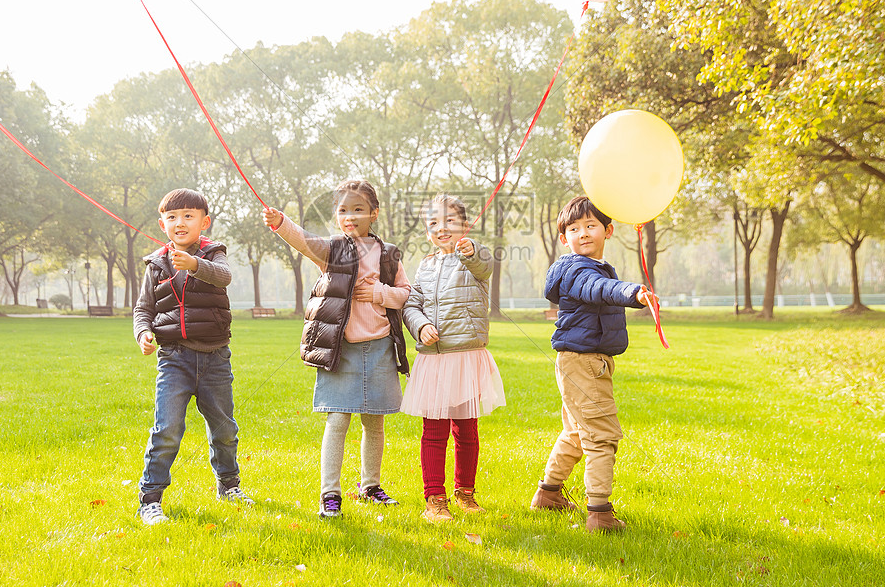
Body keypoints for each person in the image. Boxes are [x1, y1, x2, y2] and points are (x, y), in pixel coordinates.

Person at [262, 180, 411, 518]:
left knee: (375, 422)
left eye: (358, 209)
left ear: (373, 213)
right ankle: (330, 494)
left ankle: (370, 486)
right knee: (338, 420)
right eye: (343, 210)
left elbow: (405, 293)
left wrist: (379, 294)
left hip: (379, 348)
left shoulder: (388, 253)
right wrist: (281, 222)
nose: (349, 216)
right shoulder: (331, 250)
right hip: (341, 349)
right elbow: (304, 241)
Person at [531, 195, 655, 534]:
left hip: (583, 361)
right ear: (564, 238)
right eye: (574, 228)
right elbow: (598, 288)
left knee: (575, 432)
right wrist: (633, 293)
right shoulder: (577, 270)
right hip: (583, 364)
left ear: (608, 230)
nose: (583, 233)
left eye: (590, 226)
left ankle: (549, 493)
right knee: (601, 436)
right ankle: (600, 513)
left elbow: (600, 284)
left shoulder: (593, 267)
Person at [133, 188, 250, 525]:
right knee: (167, 429)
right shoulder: (155, 265)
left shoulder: (214, 253)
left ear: (204, 222)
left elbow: (224, 277)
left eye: (188, 216)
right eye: (172, 217)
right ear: (162, 224)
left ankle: (229, 486)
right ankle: (150, 500)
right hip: (174, 360)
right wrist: (143, 332)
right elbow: (144, 308)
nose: (180, 222)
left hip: (215, 359)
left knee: (224, 429)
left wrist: (196, 265)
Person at [400, 195, 506, 524]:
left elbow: (483, 265)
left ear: (465, 225)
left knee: (466, 430)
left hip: (466, 357)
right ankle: (434, 497)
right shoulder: (426, 266)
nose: (441, 228)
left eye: (449, 220)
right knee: (433, 431)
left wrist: (470, 249)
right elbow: (410, 305)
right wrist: (421, 326)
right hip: (435, 359)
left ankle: (465, 493)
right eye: (432, 223)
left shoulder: (475, 255)